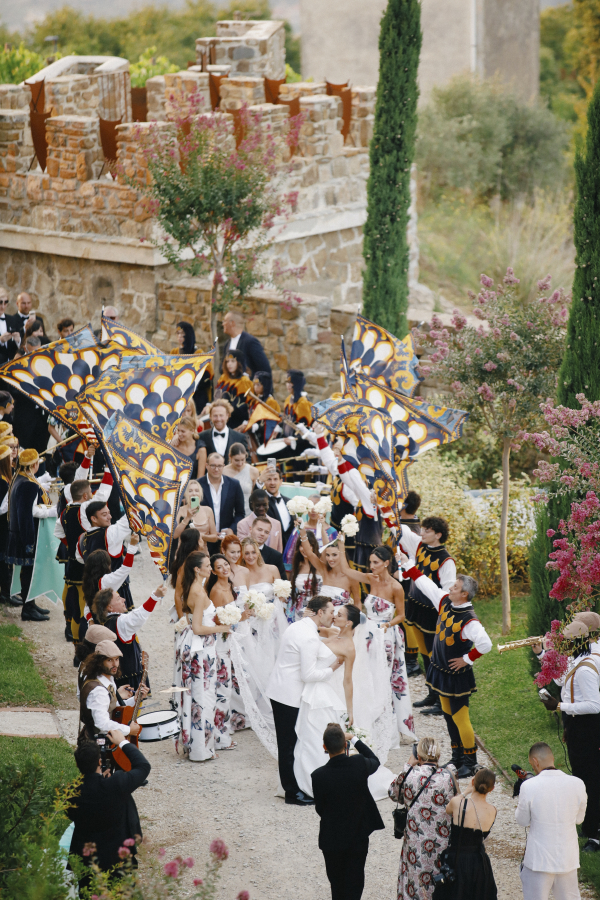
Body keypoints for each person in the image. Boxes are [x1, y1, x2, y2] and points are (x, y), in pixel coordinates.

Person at [400, 559, 492, 778]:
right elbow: (426, 585)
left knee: (461, 718)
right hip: (440, 671)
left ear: (464, 595)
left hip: (456, 677)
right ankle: (457, 756)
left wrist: (467, 659)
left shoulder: (470, 622)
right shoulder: (444, 601)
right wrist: (410, 567)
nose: (450, 588)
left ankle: (470, 762)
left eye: (455, 587)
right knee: (449, 716)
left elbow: (485, 644)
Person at [266, 596, 343, 805]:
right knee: (288, 744)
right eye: (330, 612)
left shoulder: (297, 626)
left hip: (280, 689)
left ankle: (294, 786)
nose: (333, 616)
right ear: (319, 613)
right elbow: (308, 675)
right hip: (288, 695)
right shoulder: (308, 636)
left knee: (289, 743)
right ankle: (292, 792)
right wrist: (332, 668)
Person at [341, 543, 414, 740]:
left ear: (386, 563)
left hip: (386, 636)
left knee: (383, 676)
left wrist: (386, 625)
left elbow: (402, 616)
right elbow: (345, 570)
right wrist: (341, 543)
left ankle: (386, 725)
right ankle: (367, 719)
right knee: (366, 674)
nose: (371, 566)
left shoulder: (396, 587)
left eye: (375, 562)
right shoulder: (369, 579)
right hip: (367, 633)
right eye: (370, 562)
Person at [538, 619, 600, 853]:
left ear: (575, 643)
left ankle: (595, 835)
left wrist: (560, 706)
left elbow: (595, 705)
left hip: (589, 730)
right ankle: (590, 824)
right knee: (582, 778)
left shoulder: (585, 669)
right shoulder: (577, 662)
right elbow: (562, 680)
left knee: (592, 780)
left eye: (563, 642)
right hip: (577, 728)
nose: (560, 646)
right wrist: (542, 655)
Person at [67, 729, 151, 890]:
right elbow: (143, 766)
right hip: (119, 859)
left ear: (77, 765)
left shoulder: (72, 793)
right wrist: (122, 742)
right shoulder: (116, 785)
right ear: (100, 762)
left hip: (88, 862)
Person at [312, 722, 384, 900]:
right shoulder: (358, 763)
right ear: (345, 745)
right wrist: (355, 739)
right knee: (355, 880)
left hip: (332, 838)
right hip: (357, 835)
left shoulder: (318, 776)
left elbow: (320, 808)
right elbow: (375, 760)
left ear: (324, 747)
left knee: (336, 884)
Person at [293, 604, 359, 797]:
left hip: (321, 694)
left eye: (339, 615)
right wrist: (309, 615)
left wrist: (350, 711)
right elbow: (311, 629)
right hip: (308, 686)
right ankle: (303, 780)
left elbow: (348, 681)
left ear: (348, 622)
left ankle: (320, 784)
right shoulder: (332, 632)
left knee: (316, 735)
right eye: (334, 613)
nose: (335, 616)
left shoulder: (349, 648)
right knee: (306, 736)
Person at [174, 551, 232, 761]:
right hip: (202, 651)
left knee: (203, 697)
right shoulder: (198, 592)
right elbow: (197, 628)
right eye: (207, 565)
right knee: (203, 698)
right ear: (197, 569)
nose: (210, 568)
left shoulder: (197, 587)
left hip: (205, 649)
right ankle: (201, 750)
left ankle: (204, 747)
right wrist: (221, 627)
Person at [515, 741, 587, 900]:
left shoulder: (529, 786)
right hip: (567, 858)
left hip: (538, 860)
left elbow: (522, 820)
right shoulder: (578, 784)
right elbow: (579, 819)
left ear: (535, 762)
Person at [398, 516, 456, 708]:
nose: (421, 533)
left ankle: (442, 700)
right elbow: (399, 529)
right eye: (422, 529)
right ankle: (432, 693)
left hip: (433, 614)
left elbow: (447, 593)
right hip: (416, 608)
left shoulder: (447, 561)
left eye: (427, 530)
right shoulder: (420, 546)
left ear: (438, 535)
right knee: (425, 654)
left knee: (436, 656)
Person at [389, 737, 457, 900]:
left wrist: (408, 765)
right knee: (439, 877)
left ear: (418, 756)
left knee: (414, 878)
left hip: (416, 841)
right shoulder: (449, 776)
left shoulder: (409, 774)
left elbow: (393, 793)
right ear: (438, 756)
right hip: (441, 840)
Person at [55, 461, 116, 641]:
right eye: (90, 491)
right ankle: (83, 645)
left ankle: (74, 640)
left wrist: (72, 545)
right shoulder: (86, 509)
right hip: (86, 564)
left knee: (73, 602)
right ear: (86, 494)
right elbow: (105, 491)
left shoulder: (65, 511)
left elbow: (58, 532)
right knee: (85, 609)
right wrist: (108, 468)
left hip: (73, 562)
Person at [6, 448, 57, 622]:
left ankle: (31, 604)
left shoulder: (20, 478)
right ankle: (27, 608)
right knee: (29, 573)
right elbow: (26, 514)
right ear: (34, 465)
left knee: (28, 572)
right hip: (25, 536)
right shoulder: (28, 484)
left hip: (19, 535)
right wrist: (29, 542)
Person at [433, 768, 497, 900]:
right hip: (479, 862)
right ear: (492, 789)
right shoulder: (492, 811)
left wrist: (466, 791)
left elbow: (448, 809)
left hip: (457, 859)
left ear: (473, 782)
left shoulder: (459, 803)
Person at [93, 582, 166, 690]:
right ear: (110, 607)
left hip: (119, 678)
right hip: (127, 681)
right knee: (130, 706)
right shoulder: (120, 622)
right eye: (118, 599)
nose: (124, 599)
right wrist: (155, 596)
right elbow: (139, 615)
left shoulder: (109, 622)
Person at [78, 641, 143, 742]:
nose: (115, 664)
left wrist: (134, 699)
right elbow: (102, 724)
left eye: (116, 659)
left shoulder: (106, 679)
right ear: (99, 662)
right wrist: (128, 730)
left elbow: (110, 705)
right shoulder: (99, 691)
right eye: (109, 660)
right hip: (97, 744)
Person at [76, 500, 134, 609]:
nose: (110, 517)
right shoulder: (109, 533)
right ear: (93, 519)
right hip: (115, 591)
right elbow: (130, 519)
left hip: (93, 590)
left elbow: (80, 558)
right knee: (119, 623)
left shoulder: (81, 539)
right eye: (104, 514)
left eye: (109, 513)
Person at [298, 524, 360, 607]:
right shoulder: (324, 570)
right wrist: (302, 531)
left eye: (334, 555)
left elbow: (357, 603)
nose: (330, 559)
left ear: (341, 554)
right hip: (322, 618)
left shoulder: (352, 577)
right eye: (327, 555)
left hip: (341, 619)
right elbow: (309, 553)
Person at [199, 452, 245, 544]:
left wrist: (231, 529)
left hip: (226, 539)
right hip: (204, 539)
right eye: (213, 466)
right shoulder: (197, 485)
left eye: (219, 466)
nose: (216, 469)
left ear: (224, 466)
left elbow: (240, 513)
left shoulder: (234, 484)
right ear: (206, 466)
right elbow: (194, 512)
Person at [195, 399, 249, 478]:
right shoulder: (201, 437)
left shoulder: (240, 437)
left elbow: (247, 461)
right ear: (210, 416)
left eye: (221, 415)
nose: (218, 419)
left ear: (228, 415)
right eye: (215, 416)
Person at [222, 309, 271, 378]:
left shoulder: (250, 342)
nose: (223, 324)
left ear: (232, 323)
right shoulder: (227, 344)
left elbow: (264, 369)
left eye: (224, 321)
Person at [287, 530, 322, 623]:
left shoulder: (320, 564)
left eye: (310, 545)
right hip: (299, 611)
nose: (306, 549)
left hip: (319, 610)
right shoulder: (297, 564)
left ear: (314, 547)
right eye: (302, 545)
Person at [172, 479, 218, 547]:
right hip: (184, 553)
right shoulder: (180, 510)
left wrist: (201, 536)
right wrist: (187, 518)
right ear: (186, 493)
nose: (194, 493)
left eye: (197, 491)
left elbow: (214, 537)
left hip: (202, 553)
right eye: (190, 491)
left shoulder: (208, 510)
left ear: (200, 493)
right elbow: (174, 535)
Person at [170, 528, 203, 619]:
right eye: (200, 538)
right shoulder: (185, 566)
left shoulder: (200, 559)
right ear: (196, 542)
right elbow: (178, 595)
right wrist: (182, 619)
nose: (203, 540)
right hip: (189, 612)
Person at [216, 350, 253, 429]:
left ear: (239, 363)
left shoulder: (244, 382)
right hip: (219, 419)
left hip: (236, 423)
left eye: (233, 361)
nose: (229, 364)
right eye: (227, 361)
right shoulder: (223, 378)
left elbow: (242, 409)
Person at [223, 442, 259, 515]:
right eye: (236, 460)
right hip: (228, 514)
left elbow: (255, 494)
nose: (240, 463)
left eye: (243, 459)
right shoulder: (223, 471)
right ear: (230, 457)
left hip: (248, 513)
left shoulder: (253, 471)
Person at [264, 467, 294, 547]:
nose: (272, 483)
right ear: (264, 481)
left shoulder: (289, 501)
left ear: (281, 481)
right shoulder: (261, 502)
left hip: (289, 548)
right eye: (269, 479)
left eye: (275, 479)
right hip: (270, 547)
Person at [0, 445, 14, 606]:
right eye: (10, 457)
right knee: (3, 560)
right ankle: (5, 593)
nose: (13, 460)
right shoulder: (2, 482)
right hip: (2, 526)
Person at [0, 290, 22, 362]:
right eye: (0, 302)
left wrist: (18, 340)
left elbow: (21, 345)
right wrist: (0, 340)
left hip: (12, 363)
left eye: (5, 302)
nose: (3, 306)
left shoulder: (13, 320)